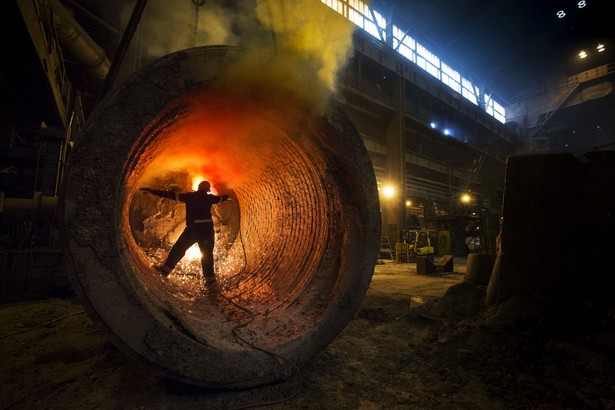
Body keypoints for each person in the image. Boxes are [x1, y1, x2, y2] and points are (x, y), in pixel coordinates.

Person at [140, 180, 229, 290]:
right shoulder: (210, 198)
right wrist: (226, 196)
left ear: (198, 187)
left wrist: (153, 191)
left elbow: (171, 195)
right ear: (208, 190)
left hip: (192, 230)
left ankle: (165, 270)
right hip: (206, 231)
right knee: (207, 255)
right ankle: (211, 282)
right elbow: (221, 199)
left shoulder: (190, 196)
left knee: (179, 248)